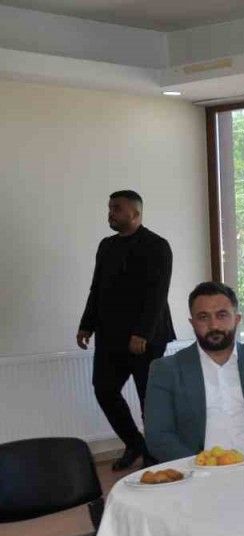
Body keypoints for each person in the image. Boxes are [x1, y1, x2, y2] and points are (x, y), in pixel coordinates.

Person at [144, 282, 244, 463]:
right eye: (203, 317)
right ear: (192, 323)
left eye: (222, 315)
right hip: (203, 467)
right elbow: (158, 437)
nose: (213, 325)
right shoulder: (166, 370)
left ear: (237, 319)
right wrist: (199, 466)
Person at [76, 190, 176, 470]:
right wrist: (86, 324)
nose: (110, 213)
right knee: (104, 390)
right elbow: (97, 288)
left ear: (135, 212)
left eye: (116, 208)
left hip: (148, 338)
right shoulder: (106, 246)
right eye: (109, 208)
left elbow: (158, 293)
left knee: (149, 399)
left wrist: (142, 333)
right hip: (110, 336)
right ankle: (134, 443)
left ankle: (155, 455)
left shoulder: (157, 246)